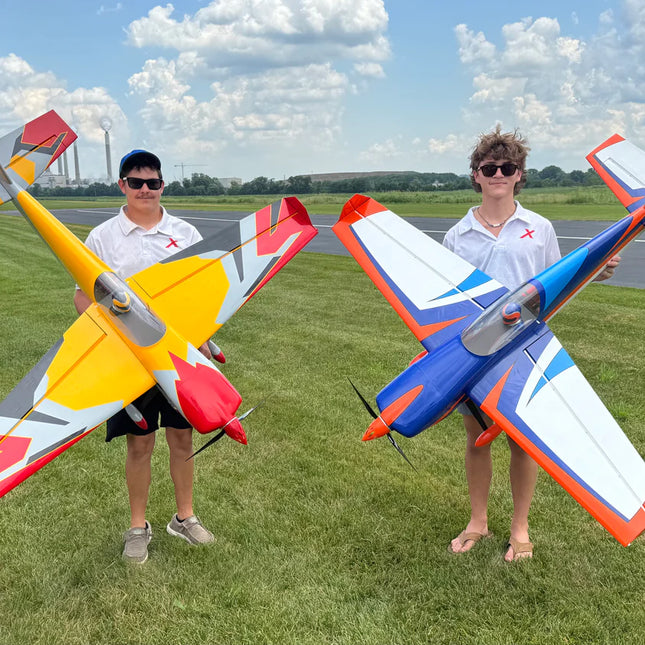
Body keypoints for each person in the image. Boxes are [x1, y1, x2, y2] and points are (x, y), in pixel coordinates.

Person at [443, 126, 619, 562]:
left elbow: (555, 282)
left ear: (519, 175)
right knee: (477, 437)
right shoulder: (456, 235)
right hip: (476, 351)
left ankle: (519, 527)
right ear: (476, 175)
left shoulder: (539, 229)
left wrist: (596, 270)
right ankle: (478, 521)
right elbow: (448, 301)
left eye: (508, 168)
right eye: (490, 168)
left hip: (526, 347)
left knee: (525, 441)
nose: (499, 173)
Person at [74, 150, 217, 564]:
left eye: (152, 183)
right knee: (139, 443)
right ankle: (138, 527)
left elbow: (203, 293)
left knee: (182, 437)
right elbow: (84, 296)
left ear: (161, 186)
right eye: (136, 182)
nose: (145, 190)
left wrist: (202, 340)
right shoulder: (103, 237)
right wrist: (113, 336)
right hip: (130, 361)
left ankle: (184, 518)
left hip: (178, 357)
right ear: (122, 186)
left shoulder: (185, 233)